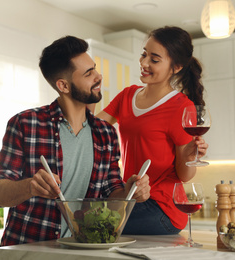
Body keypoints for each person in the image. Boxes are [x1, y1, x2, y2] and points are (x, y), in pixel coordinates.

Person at [0, 35, 151, 246]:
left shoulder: (106, 133)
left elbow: (111, 193)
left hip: (82, 249)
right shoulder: (25, 124)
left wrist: (130, 191)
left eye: (95, 69)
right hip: (28, 249)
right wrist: (30, 187)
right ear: (63, 85)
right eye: (88, 73)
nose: (98, 77)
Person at [89, 26, 209, 235]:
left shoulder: (181, 106)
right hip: (132, 197)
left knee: (91, 221)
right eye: (144, 54)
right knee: (85, 215)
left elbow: (184, 175)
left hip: (161, 208)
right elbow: (92, 129)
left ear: (176, 67)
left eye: (154, 59)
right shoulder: (127, 95)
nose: (144, 63)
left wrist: (190, 155)